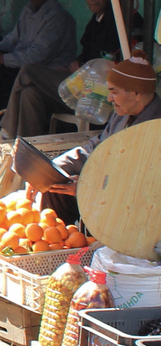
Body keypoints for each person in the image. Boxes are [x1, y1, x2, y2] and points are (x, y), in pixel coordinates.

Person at [0, 0, 135, 138]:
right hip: (80, 87)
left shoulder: (121, 17)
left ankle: (6, 131)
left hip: (99, 96)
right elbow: (86, 58)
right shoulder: (96, 21)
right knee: (29, 94)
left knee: (28, 70)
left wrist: (80, 67)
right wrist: (74, 66)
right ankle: (27, 150)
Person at [37, 58, 161, 223]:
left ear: (136, 93)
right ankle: (66, 241)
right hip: (103, 190)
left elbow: (143, 185)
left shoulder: (156, 128)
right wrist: (53, 168)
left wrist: (91, 186)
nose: (109, 98)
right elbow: (94, 149)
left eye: (114, 92)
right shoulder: (121, 114)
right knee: (55, 187)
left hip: (137, 210)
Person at [0, 0, 77, 124]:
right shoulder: (28, 11)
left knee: (5, 76)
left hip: (48, 73)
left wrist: (1, 59)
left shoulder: (58, 18)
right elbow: (11, 40)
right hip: (23, 66)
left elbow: (37, 57)